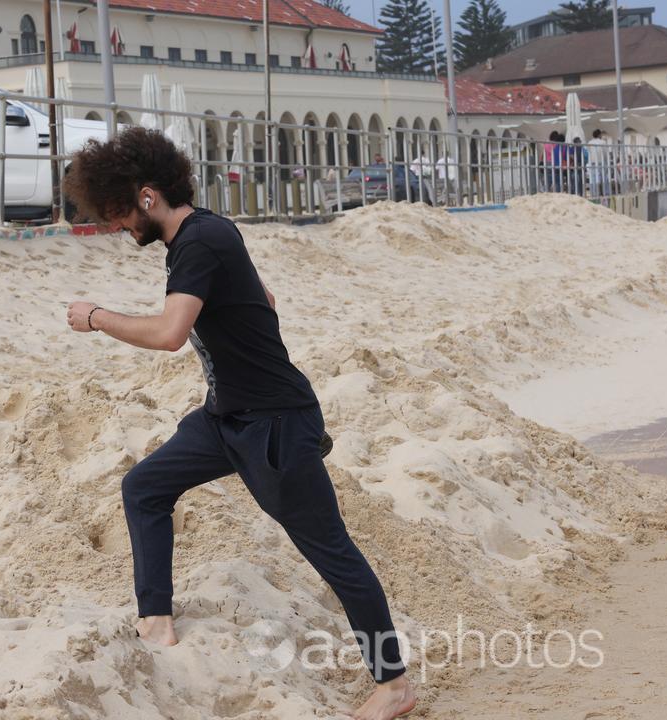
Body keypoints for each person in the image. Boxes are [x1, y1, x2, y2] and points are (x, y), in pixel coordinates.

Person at [61, 127, 414, 720]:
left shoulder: (200, 241)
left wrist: (95, 316)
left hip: (276, 425)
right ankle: (155, 619)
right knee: (144, 486)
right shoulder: (204, 235)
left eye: (117, 213)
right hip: (226, 416)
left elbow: (171, 335)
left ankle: (394, 683)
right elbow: (265, 298)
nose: (115, 228)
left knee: (331, 552)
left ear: (146, 196)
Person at [587, 129, 608, 197]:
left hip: (592, 162)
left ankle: (594, 193)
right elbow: (605, 153)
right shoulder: (603, 142)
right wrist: (606, 161)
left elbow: (588, 152)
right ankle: (605, 192)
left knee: (593, 178)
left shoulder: (589, 143)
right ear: (599, 135)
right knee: (604, 178)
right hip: (600, 162)